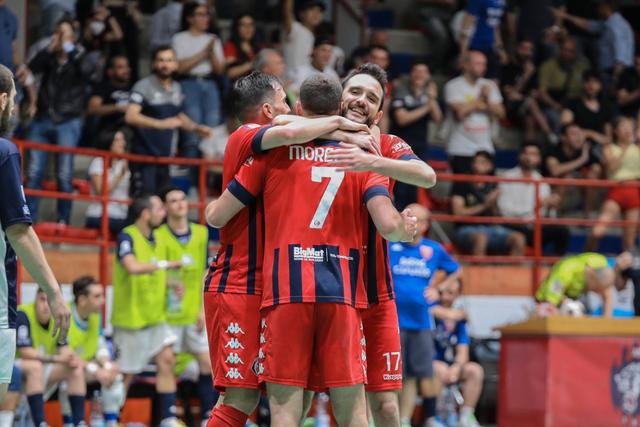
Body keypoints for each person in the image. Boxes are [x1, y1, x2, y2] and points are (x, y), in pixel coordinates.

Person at [206, 74, 417, 427]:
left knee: (281, 402)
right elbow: (418, 188)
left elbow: (215, 215)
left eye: (372, 96)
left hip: (281, 286)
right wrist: (354, 135)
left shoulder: (275, 154)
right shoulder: (259, 139)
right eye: (282, 102)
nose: (288, 109)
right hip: (263, 284)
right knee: (247, 398)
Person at [288, 63, 438, 427]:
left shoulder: (384, 146)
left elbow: (427, 175)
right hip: (321, 286)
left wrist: (371, 161)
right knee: (302, 397)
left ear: (379, 114)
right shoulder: (306, 139)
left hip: (373, 293)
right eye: (355, 92)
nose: (361, 101)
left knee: (386, 406)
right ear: (338, 98)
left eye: (372, 98)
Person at [0, 63, 69, 403]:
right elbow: (19, 232)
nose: (14, 107)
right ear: (1, 100)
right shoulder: (4, 152)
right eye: (14, 99)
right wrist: (54, 292)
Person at [111, 195, 183, 427]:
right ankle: (112, 417)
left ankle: (168, 418)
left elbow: (157, 270)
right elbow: (132, 267)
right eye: (159, 208)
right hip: (131, 320)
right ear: (145, 214)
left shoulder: (160, 238)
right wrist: (164, 266)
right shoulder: (127, 236)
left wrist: (173, 284)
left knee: (167, 359)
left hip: (155, 318)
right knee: (125, 375)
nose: (164, 212)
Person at [389, 204, 460, 427]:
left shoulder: (433, 249)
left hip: (421, 322)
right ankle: (385, 419)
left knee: (412, 375)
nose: (412, 222)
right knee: (391, 375)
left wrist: (439, 289)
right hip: (391, 321)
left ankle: (404, 420)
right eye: (408, 217)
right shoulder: (390, 246)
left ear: (426, 225)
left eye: (417, 219)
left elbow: (456, 270)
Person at [156, 187, 218, 423]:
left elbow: (205, 272)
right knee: (167, 362)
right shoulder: (160, 235)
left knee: (207, 362)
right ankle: (168, 418)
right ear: (165, 208)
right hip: (168, 314)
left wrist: (203, 309)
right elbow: (156, 270)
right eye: (173, 200)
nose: (180, 203)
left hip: (193, 312)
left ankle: (208, 416)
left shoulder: (201, 233)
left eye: (182, 198)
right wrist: (170, 282)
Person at [25, 18, 95, 224]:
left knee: (64, 174)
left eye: (64, 33)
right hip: (42, 119)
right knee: (34, 172)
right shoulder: (49, 56)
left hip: (68, 120)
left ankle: (62, 221)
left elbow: (86, 70)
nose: (60, 37)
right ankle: (28, 220)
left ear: (72, 36)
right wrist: (50, 48)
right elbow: (31, 68)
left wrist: (68, 47)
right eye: (58, 32)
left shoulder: (81, 54)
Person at [125, 45, 212, 196]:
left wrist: (196, 128)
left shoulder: (176, 87)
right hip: (144, 158)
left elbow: (178, 116)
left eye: (169, 60)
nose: (165, 64)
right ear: (154, 64)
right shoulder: (143, 86)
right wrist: (160, 124)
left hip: (165, 159)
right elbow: (130, 116)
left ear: (176, 64)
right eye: (161, 60)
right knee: (145, 203)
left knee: (163, 204)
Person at [172, 2, 224, 188]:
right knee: (192, 137)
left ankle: (209, 186)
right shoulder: (180, 38)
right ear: (189, 18)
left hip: (210, 84)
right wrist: (204, 53)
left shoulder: (213, 39)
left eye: (207, 14)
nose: (206, 18)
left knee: (211, 134)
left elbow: (219, 69)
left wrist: (211, 52)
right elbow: (179, 67)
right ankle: (192, 186)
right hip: (188, 84)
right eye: (201, 14)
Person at [16, 289, 86, 427]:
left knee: (75, 369)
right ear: (35, 299)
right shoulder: (23, 314)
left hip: (43, 366)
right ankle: (40, 423)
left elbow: (64, 349)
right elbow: (25, 352)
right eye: (42, 299)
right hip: (17, 365)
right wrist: (57, 359)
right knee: (35, 367)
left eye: (50, 301)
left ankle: (79, 422)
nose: (46, 306)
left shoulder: (58, 317)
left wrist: (71, 358)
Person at [66, 276, 124, 427]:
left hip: (85, 367)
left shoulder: (95, 316)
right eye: (97, 296)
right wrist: (96, 370)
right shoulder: (65, 316)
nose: (103, 300)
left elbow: (100, 346)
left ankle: (111, 422)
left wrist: (107, 366)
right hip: (63, 369)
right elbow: (68, 357)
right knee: (74, 374)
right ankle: (71, 422)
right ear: (82, 300)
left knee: (113, 375)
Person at [497, 142, 569, 255]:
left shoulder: (542, 182)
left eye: (534, 154)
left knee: (561, 231)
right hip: (512, 225)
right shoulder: (506, 177)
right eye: (527, 153)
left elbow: (544, 214)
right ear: (520, 156)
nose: (529, 158)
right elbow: (505, 210)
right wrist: (537, 206)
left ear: (539, 159)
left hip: (533, 227)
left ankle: (555, 264)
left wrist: (551, 207)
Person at [451, 151, 526, 256]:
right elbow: (458, 213)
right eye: (476, 162)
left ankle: (512, 267)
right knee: (481, 238)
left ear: (490, 166)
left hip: (492, 228)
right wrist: (485, 205)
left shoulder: (494, 184)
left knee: (519, 238)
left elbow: (498, 214)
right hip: (466, 228)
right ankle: (479, 267)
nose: (478, 165)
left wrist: (495, 204)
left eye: (483, 162)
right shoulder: (462, 183)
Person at [431, 279, 484, 427]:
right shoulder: (430, 309)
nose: (445, 296)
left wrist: (456, 367)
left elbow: (463, 351)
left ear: (458, 295)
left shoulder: (460, 320)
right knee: (439, 368)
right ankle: (438, 417)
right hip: (429, 365)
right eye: (443, 292)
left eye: (451, 293)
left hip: (451, 365)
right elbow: (432, 310)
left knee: (475, 370)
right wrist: (456, 315)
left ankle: (466, 416)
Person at [391, 60, 442, 208]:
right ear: (411, 73)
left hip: (421, 147)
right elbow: (402, 119)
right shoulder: (401, 89)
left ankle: (413, 219)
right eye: (416, 71)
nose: (420, 74)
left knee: (416, 188)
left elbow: (438, 119)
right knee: (400, 187)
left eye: (423, 71)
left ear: (429, 76)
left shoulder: (428, 94)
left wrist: (432, 99)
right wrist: (427, 106)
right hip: (401, 146)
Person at [444, 51, 505, 174]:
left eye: (484, 64)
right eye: (478, 64)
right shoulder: (453, 85)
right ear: (466, 65)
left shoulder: (490, 85)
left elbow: (501, 113)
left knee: (487, 185)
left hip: (485, 147)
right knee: (462, 185)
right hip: (460, 147)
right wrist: (482, 99)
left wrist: (475, 105)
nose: (483, 67)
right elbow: (460, 114)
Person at [586, 117, 640, 252]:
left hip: (635, 191)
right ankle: (585, 257)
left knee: (629, 242)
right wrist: (626, 147)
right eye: (623, 126)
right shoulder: (609, 148)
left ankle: (627, 265)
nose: (627, 129)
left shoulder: (637, 148)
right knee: (598, 231)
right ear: (616, 131)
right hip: (617, 190)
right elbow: (611, 167)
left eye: (629, 126)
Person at [552, 2, 634, 82]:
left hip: (614, 75)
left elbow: (621, 58)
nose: (597, 9)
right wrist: (565, 16)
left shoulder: (616, 26)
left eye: (599, 6)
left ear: (605, 7)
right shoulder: (609, 23)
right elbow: (588, 25)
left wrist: (615, 80)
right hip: (607, 73)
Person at [500, 38, 556, 144]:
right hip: (510, 108)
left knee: (530, 119)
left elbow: (535, 93)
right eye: (524, 49)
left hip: (527, 108)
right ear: (517, 49)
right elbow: (510, 96)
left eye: (530, 49)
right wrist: (525, 76)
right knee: (529, 102)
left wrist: (522, 96)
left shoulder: (533, 70)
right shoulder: (508, 68)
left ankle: (530, 147)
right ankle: (549, 134)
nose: (526, 53)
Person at [544, 123, 602, 215]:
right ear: (563, 138)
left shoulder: (584, 150)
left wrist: (595, 170)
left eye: (580, 134)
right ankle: (552, 215)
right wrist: (581, 160)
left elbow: (597, 167)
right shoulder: (553, 150)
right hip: (550, 191)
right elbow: (555, 171)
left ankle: (588, 215)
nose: (579, 137)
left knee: (592, 177)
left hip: (576, 191)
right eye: (574, 134)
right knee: (567, 178)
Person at [536, 37, 589, 134]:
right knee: (558, 120)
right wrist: (556, 106)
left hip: (576, 104)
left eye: (571, 51)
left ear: (576, 53)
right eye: (564, 50)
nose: (567, 53)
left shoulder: (582, 67)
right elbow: (542, 92)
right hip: (554, 104)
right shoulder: (548, 66)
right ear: (559, 50)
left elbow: (587, 87)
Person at [535, 253, 615, 317]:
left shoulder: (601, 264)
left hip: (573, 297)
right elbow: (550, 305)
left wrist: (606, 322)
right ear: (592, 278)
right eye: (597, 289)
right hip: (547, 299)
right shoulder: (565, 272)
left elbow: (607, 296)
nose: (598, 293)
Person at [85, 129, 131, 234]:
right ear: (109, 143)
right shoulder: (98, 162)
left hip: (122, 214)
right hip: (100, 214)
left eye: (123, 140)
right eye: (118, 140)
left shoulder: (124, 163)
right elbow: (101, 192)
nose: (122, 143)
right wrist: (119, 176)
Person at [86, 54, 132, 143]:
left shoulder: (134, 88)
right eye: (120, 67)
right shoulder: (103, 87)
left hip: (129, 131)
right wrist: (118, 107)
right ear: (110, 72)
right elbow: (92, 109)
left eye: (127, 66)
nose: (126, 70)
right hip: (107, 131)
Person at [560, 70, 613, 146]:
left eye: (595, 81)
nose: (591, 85)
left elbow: (608, 138)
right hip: (575, 145)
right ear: (582, 84)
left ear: (600, 85)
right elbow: (565, 128)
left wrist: (591, 134)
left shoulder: (606, 107)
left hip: (599, 146)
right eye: (587, 81)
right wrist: (587, 134)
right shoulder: (571, 103)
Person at [458, 0, 507, 79]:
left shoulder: (501, 2)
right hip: (474, 45)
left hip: (489, 46)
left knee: (493, 80)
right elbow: (466, 27)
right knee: (470, 77)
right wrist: (463, 53)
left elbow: (495, 26)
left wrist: (500, 49)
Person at [281, 0, 324, 74]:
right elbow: (287, 11)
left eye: (319, 11)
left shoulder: (316, 36)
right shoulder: (295, 28)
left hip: (306, 79)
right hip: (290, 79)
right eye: (311, 9)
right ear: (302, 14)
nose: (316, 14)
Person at [224, 13, 259, 82]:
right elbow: (230, 73)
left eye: (251, 25)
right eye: (244, 25)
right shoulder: (230, 46)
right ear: (236, 28)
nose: (248, 28)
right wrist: (253, 64)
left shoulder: (259, 46)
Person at [616, 52, 640, 118]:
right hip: (630, 113)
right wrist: (637, 93)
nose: (638, 68)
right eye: (637, 64)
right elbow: (621, 101)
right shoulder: (626, 75)